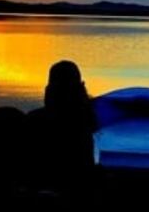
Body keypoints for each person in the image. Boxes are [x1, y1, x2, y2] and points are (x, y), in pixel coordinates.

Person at [26, 60, 97, 193]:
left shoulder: (34, 119)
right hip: (80, 187)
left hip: (43, 186)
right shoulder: (88, 120)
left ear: (49, 89)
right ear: (80, 88)